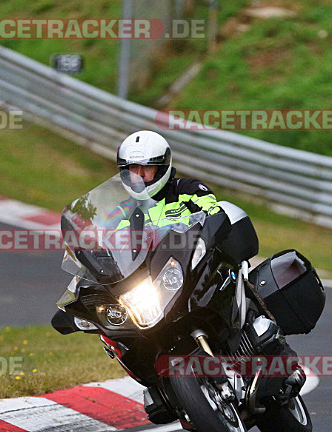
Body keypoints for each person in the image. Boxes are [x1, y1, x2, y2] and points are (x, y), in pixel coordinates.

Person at [116, 130, 305, 397]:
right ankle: (167, 390)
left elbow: (213, 209)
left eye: (146, 169)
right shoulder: (128, 214)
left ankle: (271, 341)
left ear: (162, 168)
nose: (140, 177)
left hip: (200, 263)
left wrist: (209, 227)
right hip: (163, 279)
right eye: (133, 170)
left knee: (234, 278)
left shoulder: (187, 188)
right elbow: (115, 247)